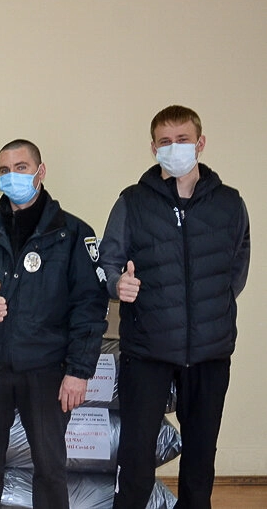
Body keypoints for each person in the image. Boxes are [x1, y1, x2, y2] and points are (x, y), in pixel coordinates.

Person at [0, 139, 108, 509]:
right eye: (4, 170)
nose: (12, 176)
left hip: (47, 369)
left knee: (50, 466)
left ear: (40, 171)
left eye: (20, 167)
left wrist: (79, 372)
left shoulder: (73, 234)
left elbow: (90, 306)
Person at [100, 105, 250, 508]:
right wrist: (119, 284)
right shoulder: (133, 201)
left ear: (200, 143)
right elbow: (108, 260)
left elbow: (236, 268)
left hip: (210, 349)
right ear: (153, 148)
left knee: (201, 456)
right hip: (147, 348)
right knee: (135, 456)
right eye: (165, 142)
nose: (175, 148)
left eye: (183, 140)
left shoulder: (229, 203)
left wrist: (207, 307)